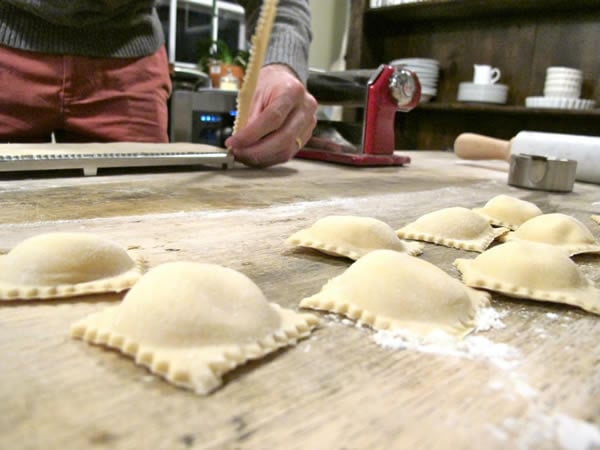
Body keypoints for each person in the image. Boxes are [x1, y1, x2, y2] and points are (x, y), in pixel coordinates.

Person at [0, 0, 317, 168]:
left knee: (142, 211)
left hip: (129, 62)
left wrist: (281, 62)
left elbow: (277, 3)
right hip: (6, 51)